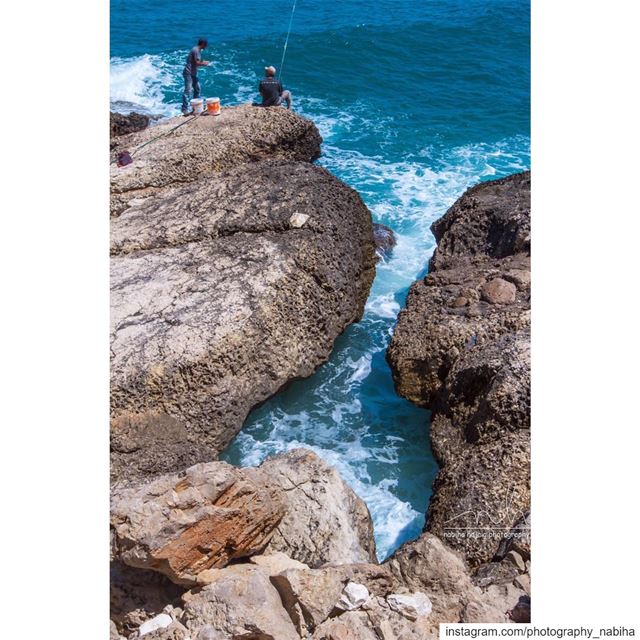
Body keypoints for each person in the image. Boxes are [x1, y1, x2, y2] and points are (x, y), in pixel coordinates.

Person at [182, 39, 210, 115]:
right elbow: (197, 63)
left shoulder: (196, 49)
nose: (206, 47)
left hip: (193, 73)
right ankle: (185, 109)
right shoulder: (196, 50)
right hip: (189, 73)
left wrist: (203, 62)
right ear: (203, 44)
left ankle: (195, 107)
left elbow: (195, 62)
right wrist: (205, 63)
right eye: (205, 45)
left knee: (197, 89)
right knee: (188, 91)